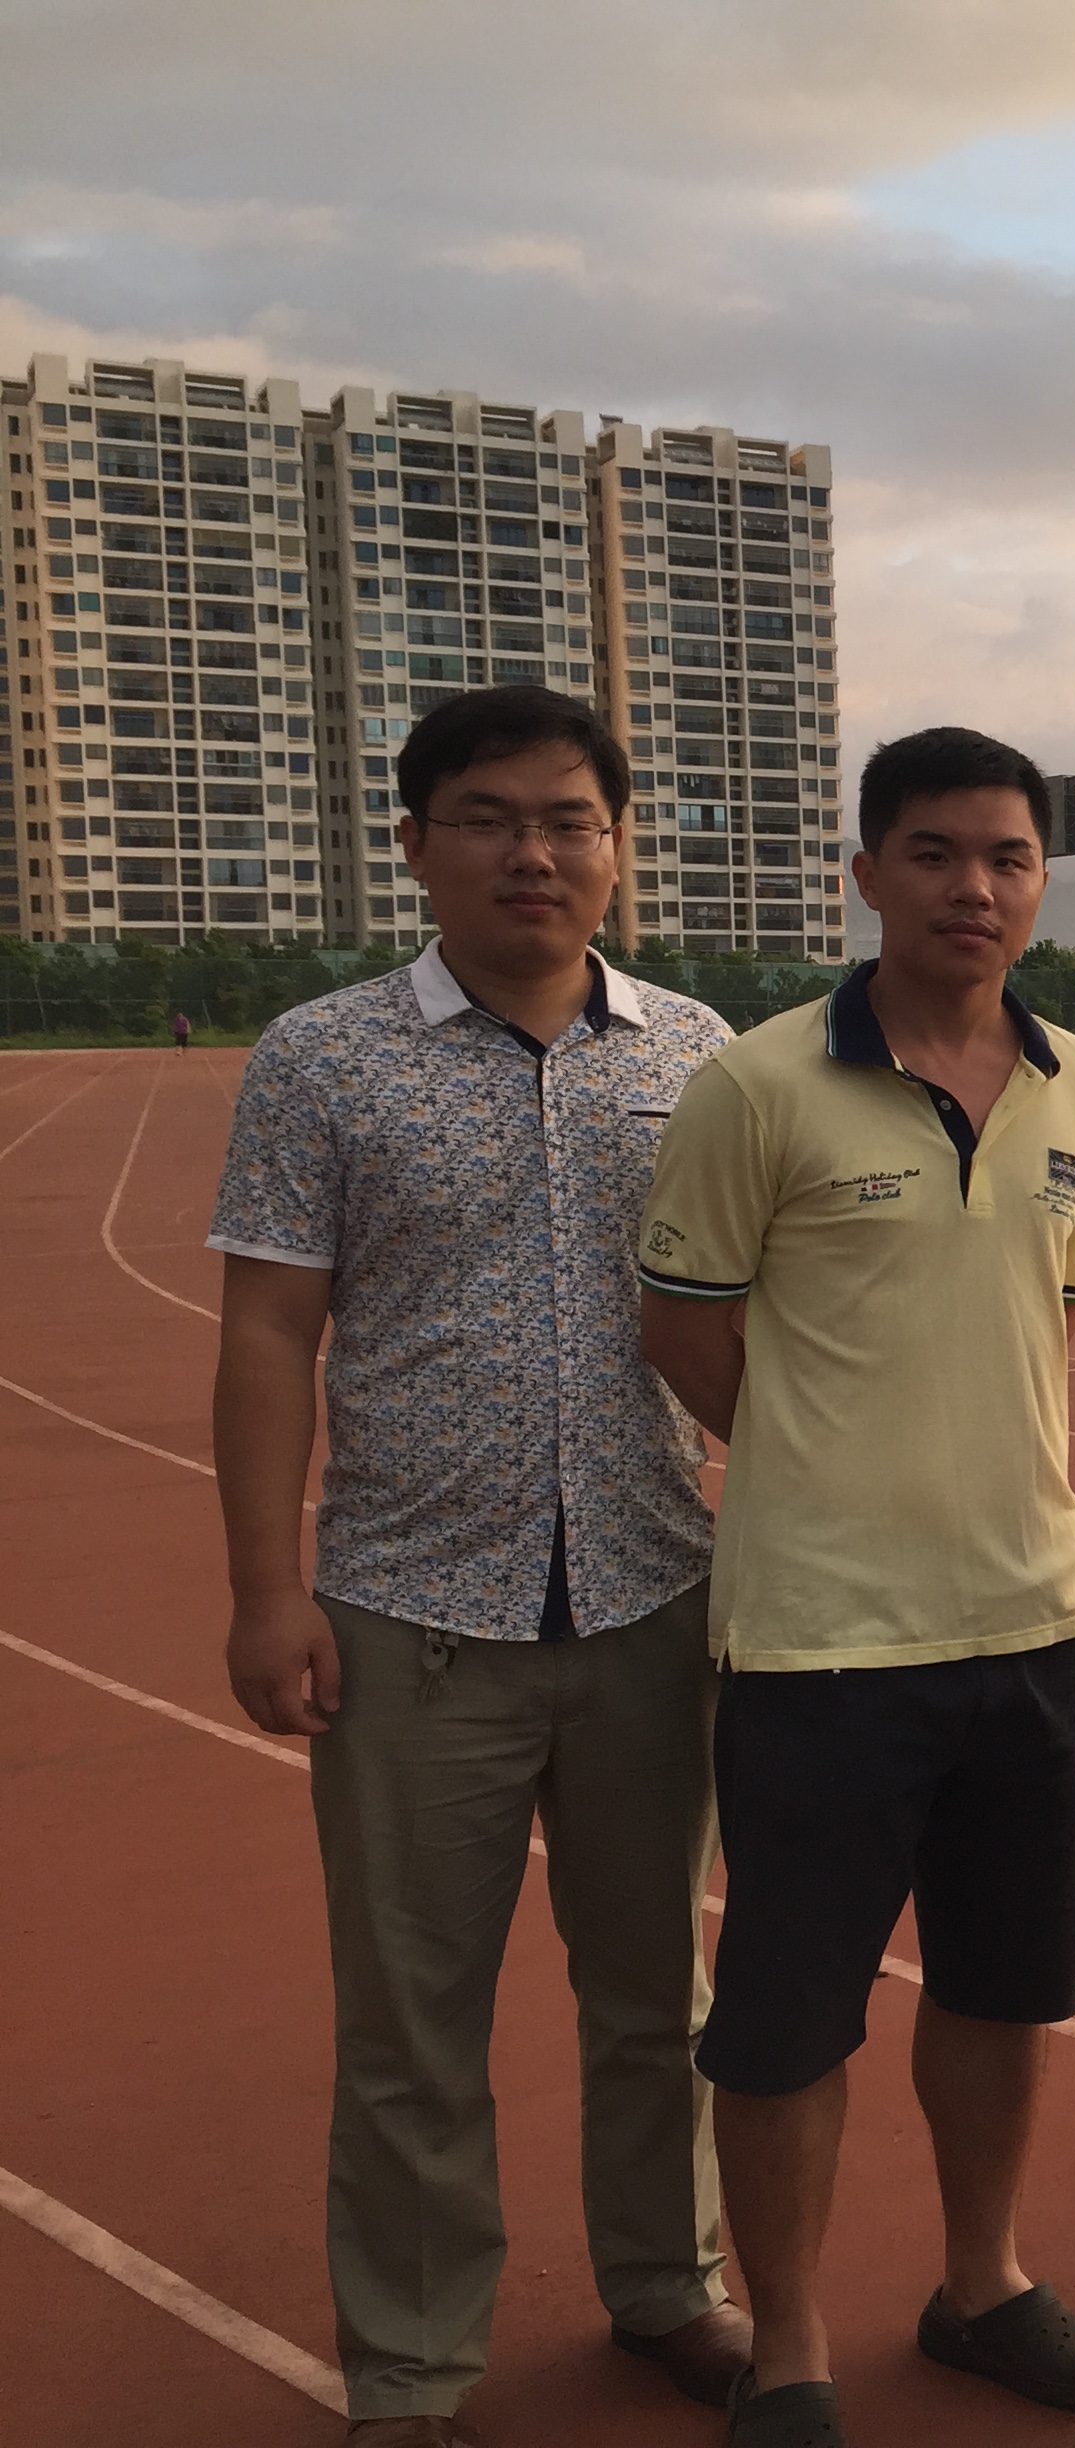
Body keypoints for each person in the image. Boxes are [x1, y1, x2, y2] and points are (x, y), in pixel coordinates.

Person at [208, 684, 751, 2446]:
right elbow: (269, 1332)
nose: (535, 852)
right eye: (490, 818)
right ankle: (413, 2365)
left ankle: (668, 2282)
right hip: (410, 1613)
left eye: (570, 820)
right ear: (418, 844)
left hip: (655, 1594)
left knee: (656, 1993)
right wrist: (268, 1591)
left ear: (617, 848)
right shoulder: (324, 1058)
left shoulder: (699, 1055)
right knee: (411, 2018)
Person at [636, 726, 1075, 2448]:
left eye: (1007, 857)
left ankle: (981, 2284)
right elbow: (683, 1325)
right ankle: (787, 2343)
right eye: (933, 852)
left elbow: (1051, 1327)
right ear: (865, 875)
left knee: (1004, 1989)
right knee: (786, 2018)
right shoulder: (758, 1085)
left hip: (1036, 1624)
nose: (971, 887)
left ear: (1041, 885)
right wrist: (818, 1464)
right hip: (822, 1642)